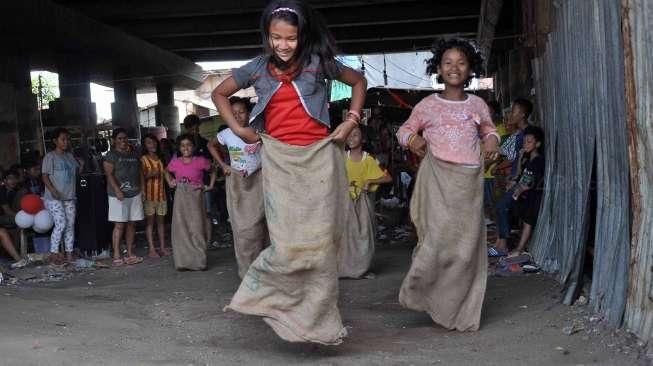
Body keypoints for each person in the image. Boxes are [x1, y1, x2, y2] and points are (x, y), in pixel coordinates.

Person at [211, 0, 366, 345]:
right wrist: (238, 130)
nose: (283, 45)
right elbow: (219, 93)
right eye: (275, 37)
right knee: (286, 243)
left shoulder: (318, 63)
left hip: (320, 158)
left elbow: (358, 82)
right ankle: (270, 300)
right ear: (267, 36)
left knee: (321, 242)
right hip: (278, 159)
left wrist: (351, 120)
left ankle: (319, 320)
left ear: (303, 36)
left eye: (291, 38)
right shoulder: (256, 68)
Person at [395, 38, 499, 331]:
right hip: (437, 183)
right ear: (438, 69)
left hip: (468, 186)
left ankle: (458, 310)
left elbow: (490, 130)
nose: (454, 68)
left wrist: (491, 139)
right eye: (448, 63)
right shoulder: (427, 105)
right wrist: (412, 139)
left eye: (461, 63)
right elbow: (404, 130)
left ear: (470, 69)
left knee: (465, 249)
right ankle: (420, 290)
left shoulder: (477, 104)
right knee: (437, 241)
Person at [208, 97, 266, 278]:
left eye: (241, 112)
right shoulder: (226, 133)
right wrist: (223, 165)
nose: (238, 116)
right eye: (233, 114)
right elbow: (211, 145)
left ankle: (264, 265)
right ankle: (247, 268)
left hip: (259, 181)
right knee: (242, 226)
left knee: (261, 223)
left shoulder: (258, 131)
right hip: (238, 184)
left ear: (248, 113)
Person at [339, 125, 391, 279]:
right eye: (349, 135)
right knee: (345, 236)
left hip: (363, 205)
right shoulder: (341, 157)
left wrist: (370, 180)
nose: (351, 138)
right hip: (344, 204)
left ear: (363, 139)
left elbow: (388, 178)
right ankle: (345, 268)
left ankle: (362, 268)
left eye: (355, 135)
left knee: (364, 236)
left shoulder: (369, 159)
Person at [490, 98, 534, 256]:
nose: (510, 114)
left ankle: (503, 245)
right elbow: (515, 158)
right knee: (501, 207)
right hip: (515, 178)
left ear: (522, 115)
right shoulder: (518, 134)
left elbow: (526, 162)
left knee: (502, 206)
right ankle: (501, 242)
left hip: (524, 181)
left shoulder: (527, 135)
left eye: (514, 111)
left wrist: (516, 179)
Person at [165, 134, 215, 271]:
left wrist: (209, 185)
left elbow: (213, 170)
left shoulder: (201, 161)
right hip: (180, 196)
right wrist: (170, 181)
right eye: (182, 145)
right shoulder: (175, 162)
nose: (185, 148)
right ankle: (183, 263)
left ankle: (199, 262)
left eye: (189, 145)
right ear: (179, 148)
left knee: (197, 227)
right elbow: (166, 171)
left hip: (196, 196)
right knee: (181, 228)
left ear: (193, 147)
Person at [103, 128, 144, 267]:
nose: (123, 141)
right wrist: (117, 190)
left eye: (125, 138)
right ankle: (116, 254)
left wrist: (142, 190)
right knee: (119, 225)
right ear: (114, 140)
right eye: (119, 138)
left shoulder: (134, 154)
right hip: (118, 195)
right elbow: (109, 174)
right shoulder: (111, 155)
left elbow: (140, 173)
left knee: (132, 223)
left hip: (135, 192)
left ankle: (130, 253)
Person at [42, 128, 81, 262]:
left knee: (70, 224)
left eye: (67, 139)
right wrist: (53, 190)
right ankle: (54, 253)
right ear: (55, 141)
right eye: (63, 139)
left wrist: (81, 163)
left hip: (69, 196)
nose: (66, 142)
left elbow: (76, 171)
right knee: (61, 223)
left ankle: (69, 254)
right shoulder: (50, 156)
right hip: (53, 197)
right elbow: (45, 176)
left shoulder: (69, 156)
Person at [509, 126, 545, 256]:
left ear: (538, 144)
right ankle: (522, 245)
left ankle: (519, 249)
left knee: (528, 222)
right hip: (524, 195)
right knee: (523, 220)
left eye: (529, 142)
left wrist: (520, 189)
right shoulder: (527, 159)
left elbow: (534, 181)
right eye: (524, 141)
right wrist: (520, 158)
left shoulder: (538, 161)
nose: (525, 144)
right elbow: (520, 173)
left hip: (533, 196)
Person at [183, 114, 218, 225]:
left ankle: (207, 240)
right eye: (192, 129)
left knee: (207, 212)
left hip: (204, 182)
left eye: (197, 128)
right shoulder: (182, 145)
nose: (195, 131)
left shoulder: (205, 143)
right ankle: (194, 237)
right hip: (188, 184)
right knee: (191, 212)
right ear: (187, 129)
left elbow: (210, 164)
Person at [140, 134, 170, 259]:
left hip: (161, 195)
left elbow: (167, 174)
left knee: (161, 223)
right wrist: (151, 174)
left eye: (153, 142)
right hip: (149, 196)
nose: (152, 145)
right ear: (145, 146)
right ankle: (152, 249)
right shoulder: (143, 159)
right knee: (150, 223)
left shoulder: (161, 158)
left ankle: (162, 248)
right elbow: (141, 176)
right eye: (149, 143)